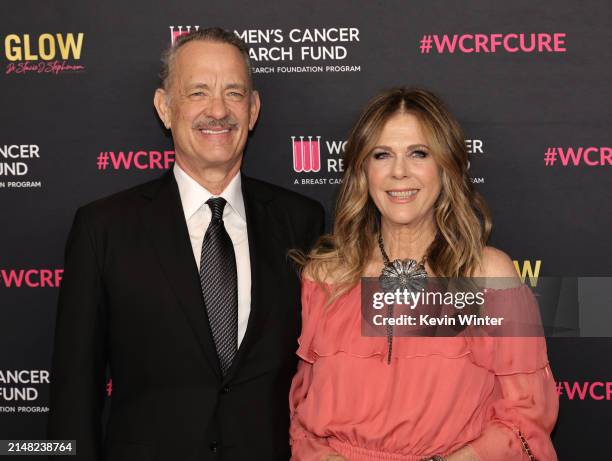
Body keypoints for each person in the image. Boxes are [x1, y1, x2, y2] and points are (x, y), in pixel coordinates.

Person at [47, 28, 324, 461]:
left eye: (234, 93)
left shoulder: (302, 220)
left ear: (253, 111)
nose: (218, 110)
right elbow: (72, 396)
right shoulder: (103, 228)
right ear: (165, 107)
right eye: (198, 92)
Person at [289, 88, 558, 461]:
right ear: (363, 171)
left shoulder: (487, 276)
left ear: (445, 166)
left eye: (418, 153)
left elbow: (525, 417)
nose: (400, 171)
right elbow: (303, 419)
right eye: (382, 155)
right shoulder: (326, 276)